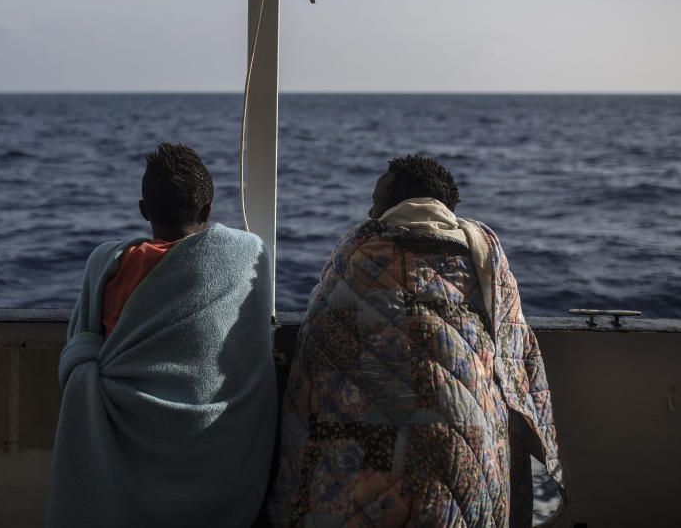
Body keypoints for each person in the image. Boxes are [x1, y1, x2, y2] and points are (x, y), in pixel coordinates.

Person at [268, 155, 564, 527]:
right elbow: (517, 349)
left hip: (366, 453)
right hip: (468, 442)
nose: (371, 210)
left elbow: (319, 335)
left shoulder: (359, 250)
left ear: (398, 203)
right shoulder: (485, 255)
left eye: (377, 201)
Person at [46, 143, 277, 528]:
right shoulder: (246, 252)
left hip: (119, 431)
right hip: (212, 448)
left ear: (143, 210)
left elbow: (82, 337)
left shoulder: (107, 262)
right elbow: (251, 349)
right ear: (207, 210)